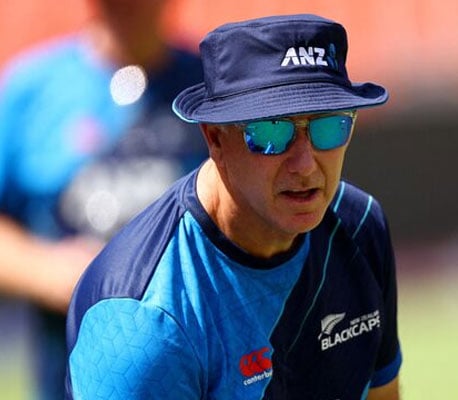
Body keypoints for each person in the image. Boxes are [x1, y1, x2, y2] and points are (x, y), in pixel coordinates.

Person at [65, 14, 402, 399]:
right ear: (215, 139)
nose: (306, 164)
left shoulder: (360, 227)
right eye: (272, 132)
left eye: (330, 126)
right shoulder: (143, 320)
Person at [0, 0, 207, 398]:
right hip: (71, 372)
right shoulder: (31, 90)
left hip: (202, 368)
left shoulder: (212, 88)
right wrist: (45, 269)